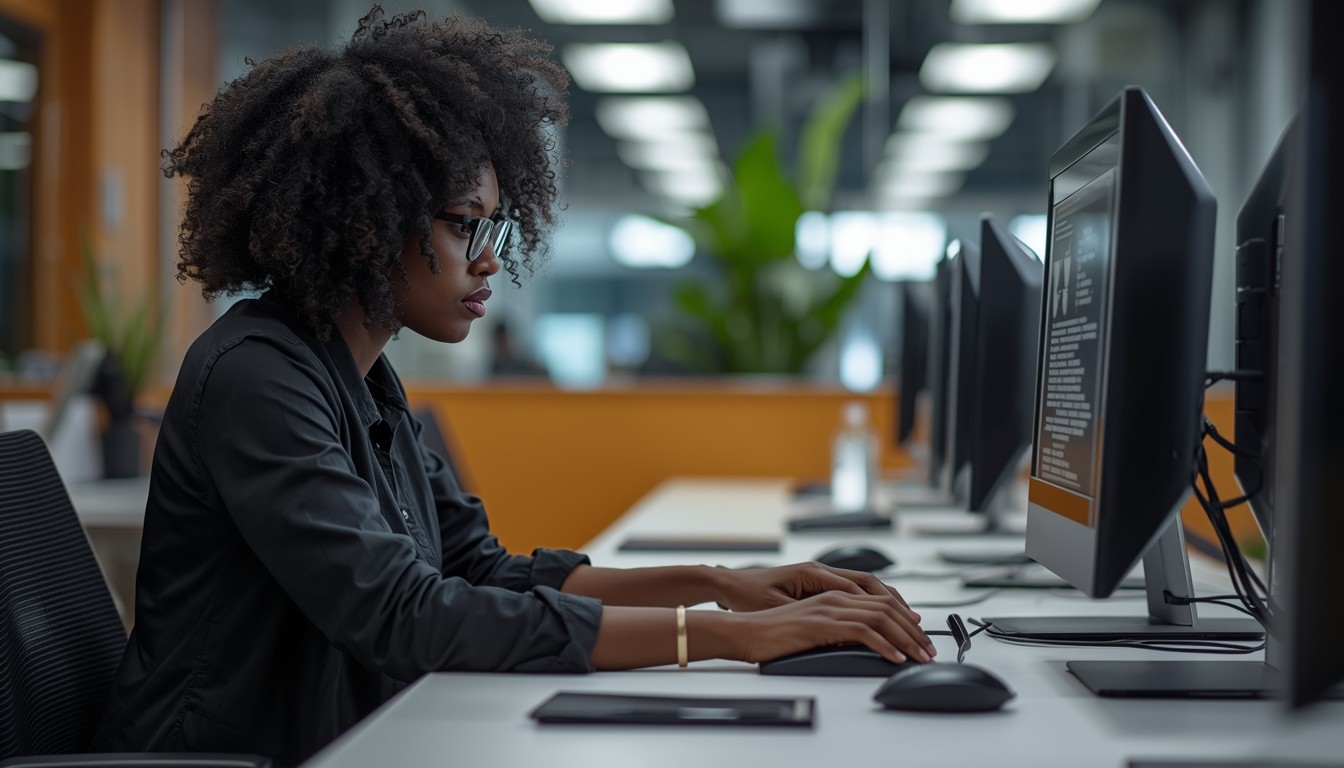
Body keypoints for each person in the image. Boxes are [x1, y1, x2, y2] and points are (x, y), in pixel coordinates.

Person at [91, 8, 933, 766]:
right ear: (366, 219)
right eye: (466, 225)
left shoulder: (365, 380)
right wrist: (723, 637)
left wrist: (724, 583)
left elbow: (483, 572)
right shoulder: (256, 379)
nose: (491, 257)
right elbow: (408, 618)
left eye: (494, 226)